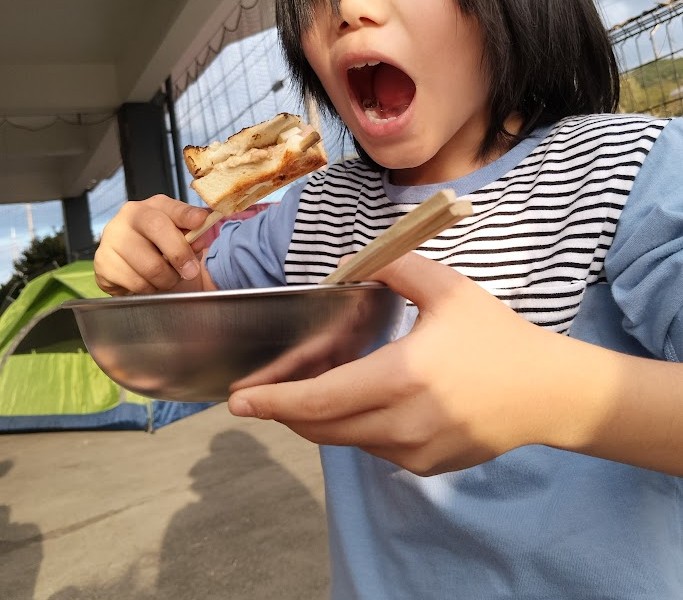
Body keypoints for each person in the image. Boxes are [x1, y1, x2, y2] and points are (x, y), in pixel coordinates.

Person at [94, 0, 683, 598]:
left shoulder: (634, 170)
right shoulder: (310, 212)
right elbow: (207, 322)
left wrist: (551, 394)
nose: (350, 10)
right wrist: (162, 268)